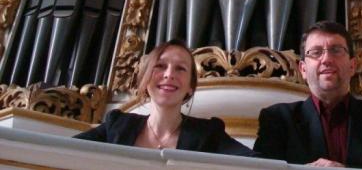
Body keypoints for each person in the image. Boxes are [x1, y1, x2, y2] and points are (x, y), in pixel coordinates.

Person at [254, 21, 362, 169]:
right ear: (303, 70)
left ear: (352, 66)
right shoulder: (276, 119)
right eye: (315, 52)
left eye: (336, 50)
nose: (327, 59)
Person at [75, 39, 255, 156]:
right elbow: (63, 151)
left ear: (190, 87)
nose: (169, 75)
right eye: (160, 66)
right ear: (146, 80)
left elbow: (257, 164)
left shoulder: (209, 133)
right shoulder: (117, 124)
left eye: (180, 68)